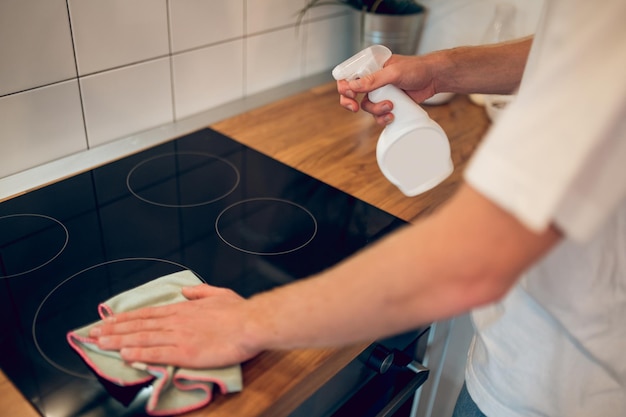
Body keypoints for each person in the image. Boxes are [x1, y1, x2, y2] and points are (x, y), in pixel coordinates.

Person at [89, 0, 626, 415]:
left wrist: (248, 321)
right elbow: (567, 55)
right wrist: (442, 70)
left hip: (566, 389)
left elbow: (475, 259)